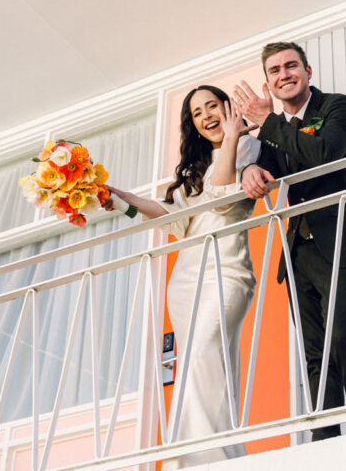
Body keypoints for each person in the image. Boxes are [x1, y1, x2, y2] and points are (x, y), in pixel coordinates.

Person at [232, 41, 346, 441]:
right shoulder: (273, 132)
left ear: (308, 71)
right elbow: (263, 167)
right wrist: (249, 169)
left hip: (339, 239)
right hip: (297, 252)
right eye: (275, 70)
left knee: (343, 335)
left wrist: (269, 121)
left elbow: (323, 152)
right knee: (315, 351)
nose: (284, 74)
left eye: (291, 66)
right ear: (268, 80)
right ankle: (325, 443)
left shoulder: (337, 107)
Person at [106, 85, 259, 469]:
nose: (206, 116)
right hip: (186, 280)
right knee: (199, 367)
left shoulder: (247, 147)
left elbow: (222, 195)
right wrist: (117, 196)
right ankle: (197, 458)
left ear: (228, 108)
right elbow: (173, 215)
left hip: (226, 273)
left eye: (213, 107)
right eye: (196, 113)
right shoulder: (195, 166)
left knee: (206, 357)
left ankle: (205, 461)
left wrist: (232, 136)